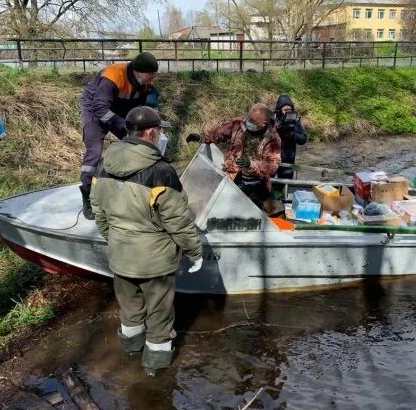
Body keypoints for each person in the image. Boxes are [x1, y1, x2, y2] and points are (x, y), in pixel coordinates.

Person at [90, 106, 203, 376]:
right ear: (151, 133)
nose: (161, 135)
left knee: (130, 310)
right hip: (155, 262)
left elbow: (99, 212)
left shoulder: (104, 163)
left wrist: (115, 240)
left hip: (120, 256)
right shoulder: (161, 171)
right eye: (160, 131)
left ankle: (131, 350)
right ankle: (155, 365)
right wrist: (194, 252)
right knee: (159, 315)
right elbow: (178, 221)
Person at [79, 52, 160, 220]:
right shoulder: (114, 75)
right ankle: (88, 194)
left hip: (121, 106)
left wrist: (152, 125)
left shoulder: (147, 85)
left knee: (137, 144)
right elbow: (100, 108)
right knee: (94, 151)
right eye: (149, 75)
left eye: (154, 75)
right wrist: (123, 127)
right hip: (95, 106)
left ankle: (133, 186)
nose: (152, 78)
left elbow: (148, 109)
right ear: (138, 71)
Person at [186, 103, 281, 207]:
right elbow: (218, 134)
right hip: (232, 175)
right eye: (248, 118)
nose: (248, 123)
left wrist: (251, 164)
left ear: (264, 123)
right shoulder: (238, 123)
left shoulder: (273, 139)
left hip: (255, 182)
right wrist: (201, 138)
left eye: (253, 122)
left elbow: (271, 166)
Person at [273, 94, 307, 185]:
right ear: (279, 110)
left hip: (288, 158)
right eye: (285, 110)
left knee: (285, 185)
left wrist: (292, 135)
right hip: (272, 157)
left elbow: (303, 139)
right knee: (268, 183)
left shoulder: (295, 121)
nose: (288, 112)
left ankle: (283, 198)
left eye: (290, 110)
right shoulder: (273, 120)